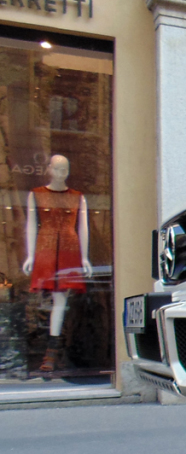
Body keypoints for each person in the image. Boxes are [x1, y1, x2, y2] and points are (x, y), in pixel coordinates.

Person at [21, 154, 90, 373]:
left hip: (69, 251)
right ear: (49, 169)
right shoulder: (36, 195)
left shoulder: (78, 197)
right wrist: (31, 255)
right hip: (46, 250)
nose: (62, 173)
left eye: (65, 169)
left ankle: (52, 351)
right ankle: (46, 346)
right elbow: (31, 225)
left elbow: (83, 228)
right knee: (44, 299)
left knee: (60, 300)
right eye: (58, 169)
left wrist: (84, 257)